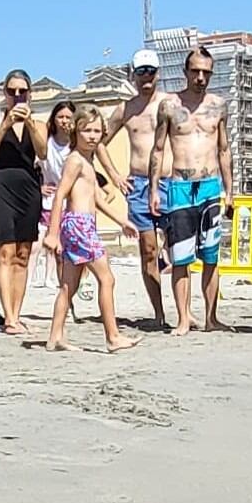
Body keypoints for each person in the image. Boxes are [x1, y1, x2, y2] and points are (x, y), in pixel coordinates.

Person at [39, 110, 140, 354]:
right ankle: (112, 336)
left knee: (68, 285)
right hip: (79, 225)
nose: (93, 136)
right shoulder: (75, 160)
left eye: (97, 131)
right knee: (107, 279)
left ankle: (55, 337)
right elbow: (60, 194)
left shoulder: (87, 160)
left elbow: (96, 198)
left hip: (82, 224)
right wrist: (52, 233)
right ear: (76, 131)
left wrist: (121, 221)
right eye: (87, 130)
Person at [152, 46, 234, 334]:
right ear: (185, 72)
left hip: (210, 186)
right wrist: (154, 190)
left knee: (211, 257)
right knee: (181, 257)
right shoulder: (170, 106)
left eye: (206, 72)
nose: (201, 77)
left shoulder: (219, 105)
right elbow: (159, 148)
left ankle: (211, 317)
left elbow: (224, 149)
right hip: (180, 186)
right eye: (195, 71)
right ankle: (183, 318)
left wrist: (230, 191)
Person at [0, 70, 48, 337]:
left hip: (28, 189)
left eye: (22, 91)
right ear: (4, 93)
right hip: (1, 187)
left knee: (23, 254)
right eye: (12, 91)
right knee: (5, 253)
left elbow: (42, 152)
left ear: (29, 93)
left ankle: (17, 314)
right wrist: (5, 125)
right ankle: (8, 316)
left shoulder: (38, 124)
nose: (17, 96)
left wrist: (29, 124)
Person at [113, 50, 169, 329]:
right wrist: (113, 175)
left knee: (180, 249)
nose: (146, 77)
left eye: (151, 71)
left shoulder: (170, 103)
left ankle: (185, 311)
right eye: (141, 71)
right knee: (148, 250)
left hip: (171, 182)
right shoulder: (126, 109)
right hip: (139, 183)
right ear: (132, 74)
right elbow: (97, 138)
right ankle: (159, 312)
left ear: (158, 73)